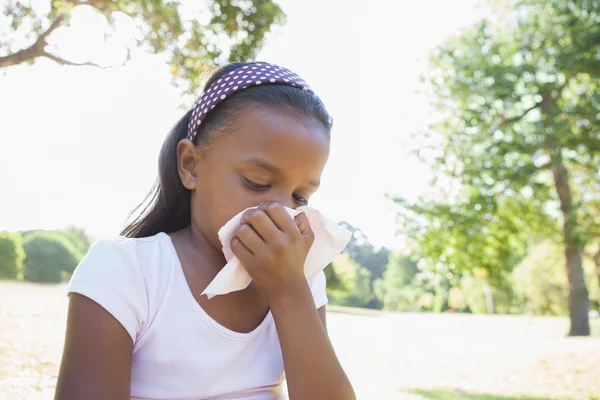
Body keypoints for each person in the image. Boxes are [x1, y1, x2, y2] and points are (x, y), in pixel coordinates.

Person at [54, 61, 356, 400]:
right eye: (257, 183)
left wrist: (289, 292)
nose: (279, 212)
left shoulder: (303, 278)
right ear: (191, 166)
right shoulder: (129, 271)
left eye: (300, 197)